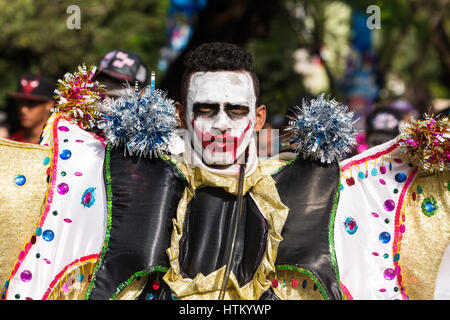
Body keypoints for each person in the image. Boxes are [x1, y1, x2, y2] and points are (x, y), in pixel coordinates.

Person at [7, 73, 55, 144]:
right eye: (20, 102)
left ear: (49, 104)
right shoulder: (9, 144)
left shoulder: (62, 146)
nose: (23, 110)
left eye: (32, 103)